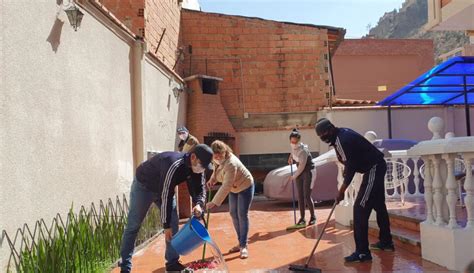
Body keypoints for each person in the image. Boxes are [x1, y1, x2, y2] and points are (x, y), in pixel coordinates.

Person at [119, 144, 213, 273]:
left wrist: (199, 204)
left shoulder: (197, 168)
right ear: (193, 157)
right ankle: (125, 266)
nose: (203, 169)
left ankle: (172, 263)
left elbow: (200, 188)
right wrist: (165, 224)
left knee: (174, 223)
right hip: (144, 187)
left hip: (165, 190)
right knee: (133, 226)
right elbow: (166, 197)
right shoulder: (173, 164)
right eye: (202, 164)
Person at [315, 118, 393, 263]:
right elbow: (351, 160)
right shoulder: (341, 134)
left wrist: (342, 191)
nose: (323, 138)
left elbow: (350, 168)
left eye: (322, 135)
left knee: (360, 208)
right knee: (378, 206)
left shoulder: (342, 140)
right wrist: (346, 172)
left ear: (330, 130)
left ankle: (362, 252)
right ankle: (386, 242)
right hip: (376, 166)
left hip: (373, 168)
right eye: (320, 137)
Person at [205, 140, 254, 259]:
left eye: (219, 155)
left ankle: (244, 246)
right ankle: (240, 242)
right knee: (233, 213)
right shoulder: (216, 159)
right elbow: (217, 169)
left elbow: (226, 185)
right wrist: (213, 179)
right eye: (215, 156)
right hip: (234, 188)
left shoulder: (231, 163)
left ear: (224, 151)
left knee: (242, 214)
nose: (217, 158)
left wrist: (214, 202)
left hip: (245, 186)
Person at [288, 128, 316, 227]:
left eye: (295, 142)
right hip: (300, 172)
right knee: (300, 196)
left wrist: (294, 176)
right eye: (292, 142)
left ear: (299, 141)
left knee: (306, 195)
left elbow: (301, 166)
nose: (293, 144)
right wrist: (290, 157)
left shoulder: (303, 151)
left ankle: (313, 217)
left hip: (308, 171)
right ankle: (302, 219)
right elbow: (293, 152)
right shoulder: (293, 147)